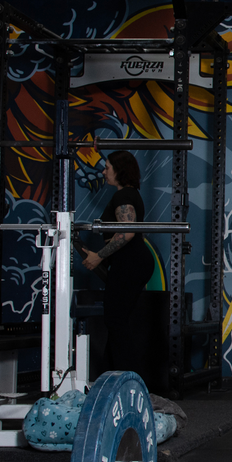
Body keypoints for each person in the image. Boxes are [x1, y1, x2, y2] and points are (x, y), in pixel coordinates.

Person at [79, 150, 154, 377]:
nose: (104, 172)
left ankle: (131, 382)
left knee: (116, 320)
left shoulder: (123, 197)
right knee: (115, 321)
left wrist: (99, 256)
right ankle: (109, 378)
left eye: (107, 167)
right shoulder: (130, 195)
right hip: (131, 263)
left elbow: (127, 233)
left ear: (119, 170)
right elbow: (121, 234)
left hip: (130, 264)